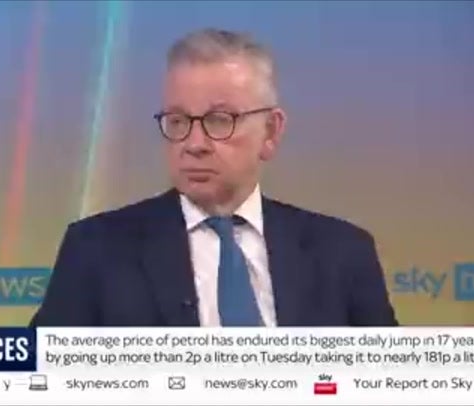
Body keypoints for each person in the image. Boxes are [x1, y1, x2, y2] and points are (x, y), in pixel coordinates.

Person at [30, 28, 398, 327]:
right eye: (178, 121)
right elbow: (35, 376)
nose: (194, 144)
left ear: (271, 131)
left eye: (219, 121)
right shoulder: (96, 249)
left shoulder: (343, 253)